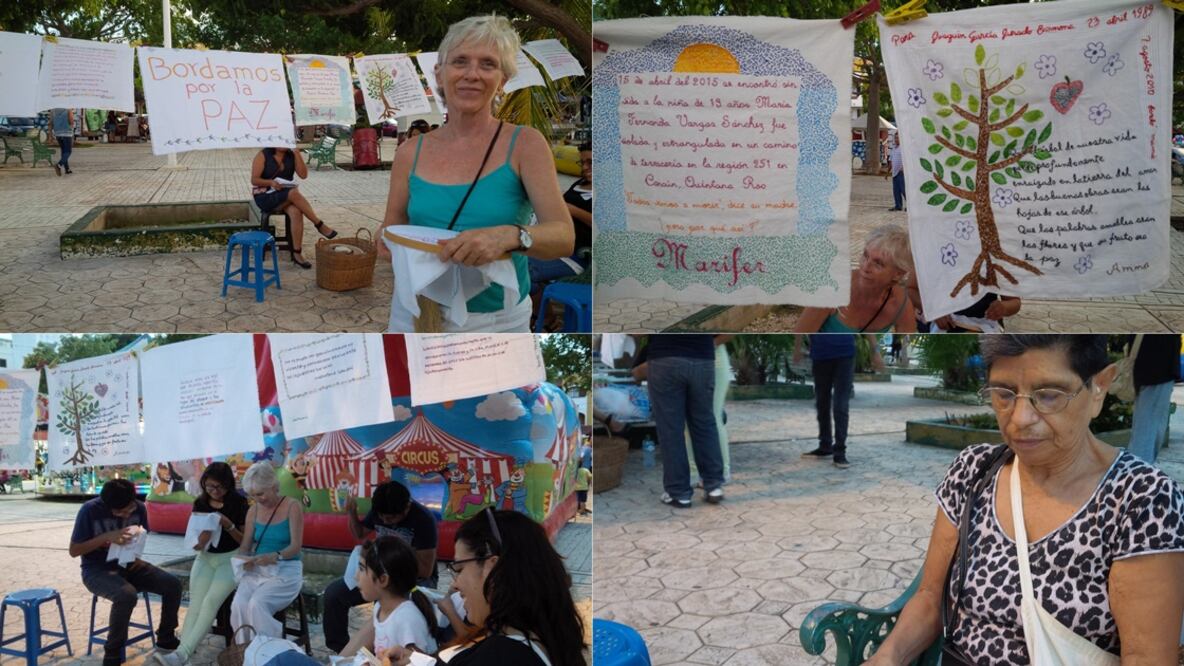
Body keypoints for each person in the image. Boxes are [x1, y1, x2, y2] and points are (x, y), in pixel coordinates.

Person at [864, 335, 1184, 666]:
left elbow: (1147, 657)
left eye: (1048, 395)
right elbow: (931, 597)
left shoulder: (1142, 499)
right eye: (1003, 394)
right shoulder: (974, 471)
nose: (1019, 419)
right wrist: (889, 656)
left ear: (1099, 387)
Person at [376, 14, 575, 332]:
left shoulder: (525, 144)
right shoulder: (409, 153)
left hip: (495, 323)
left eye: (487, 64)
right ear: (439, 75)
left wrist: (508, 236)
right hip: (417, 310)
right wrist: (388, 240)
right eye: (460, 61)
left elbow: (564, 237)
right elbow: (393, 223)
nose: (472, 74)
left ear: (503, 80)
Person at [433, 508, 586, 665]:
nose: (455, 584)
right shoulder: (548, 630)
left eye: (459, 569)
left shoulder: (501, 656)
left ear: (491, 567)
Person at [70, 479, 182, 666]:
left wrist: (135, 557)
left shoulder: (139, 507)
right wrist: (106, 537)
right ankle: (112, 654)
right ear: (105, 504)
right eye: (117, 512)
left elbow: (140, 536)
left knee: (172, 584)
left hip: (129, 565)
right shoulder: (89, 510)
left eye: (126, 510)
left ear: (132, 500)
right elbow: (74, 550)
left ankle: (166, 637)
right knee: (126, 595)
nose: (123, 515)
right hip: (97, 570)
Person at [323, 480, 439, 653]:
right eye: (382, 517)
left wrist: (394, 552)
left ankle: (387, 649)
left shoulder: (423, 520)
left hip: (412, 579)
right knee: (334, 594)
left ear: (407, 507)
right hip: (379, 574)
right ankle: (340, 649)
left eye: (391, 518)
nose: (385, 521)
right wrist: (352, 513)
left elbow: (425, 570)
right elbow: (360, 534)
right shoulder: (382, 509)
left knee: (392, 607)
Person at [154, 463, 248, 666]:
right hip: (205, 558)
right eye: (210, 486)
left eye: (220, 487)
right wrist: (202, 539)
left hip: (230, 559)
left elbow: (244, 541)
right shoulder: (201, 503)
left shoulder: (239, 503)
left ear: (228, 486)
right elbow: (196, 544)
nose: (214, 491)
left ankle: (182, 654)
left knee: (209, 603)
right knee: (195, 605)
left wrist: (227, 525)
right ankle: (181, 653)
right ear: (204, 483)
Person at [644, 334, 729, 508]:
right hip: (702, 357)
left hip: (664, 357)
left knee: (671, 428)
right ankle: (713, 485)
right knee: (704, 423)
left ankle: (679, 492)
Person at [794, 225, 917, 334]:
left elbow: (907, 340)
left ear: (898, 274)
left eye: (878, 263)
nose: (865, 266)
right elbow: (798, 340)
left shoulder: (900, 304)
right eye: (865, 255)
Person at [231, 461, 304, 641]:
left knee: (257, 604)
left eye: (260, 493)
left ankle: (268, 650)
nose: (258, 499)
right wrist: (243, 560)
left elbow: (296, 546)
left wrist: (276, 556)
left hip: (287, 569)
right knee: (239, 604)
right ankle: (245, 650)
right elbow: (246, 545)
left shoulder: (292, 506)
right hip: (259, 568)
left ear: (273, 486)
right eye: (253, 495)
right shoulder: (253, 511)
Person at [794, 334, 884, 468]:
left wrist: (876, 352)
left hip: (845, 355)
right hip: (820, 355)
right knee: (822, 402)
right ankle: (825, 446)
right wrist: (797, 347)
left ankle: (840, 451)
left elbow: (866, 326)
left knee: (840, 404)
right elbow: (804, 323)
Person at [341, 537, 439, 659]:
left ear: (383, 579)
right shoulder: (379, 608)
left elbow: (419, 661)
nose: (356, 577)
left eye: (361, 569)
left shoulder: (407, 620)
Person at [250, 146, 338, 269]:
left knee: (296, 211)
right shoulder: (263, 154)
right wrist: (271, 183)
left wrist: (297, 153)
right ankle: (318, 224)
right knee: (293, 193)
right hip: (265, 197)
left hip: (285, 196)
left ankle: (297, 254)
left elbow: (303, 175)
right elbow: (254, 180)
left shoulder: (291, 155)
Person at [528, 141, 592, 289]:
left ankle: (540, 308)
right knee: (515, 262)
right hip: (553, 245)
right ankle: (541, 310)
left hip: (576, 256)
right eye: (582, 162)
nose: (585, 167)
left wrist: (572, 210)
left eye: (590, 162)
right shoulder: (579, 184)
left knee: (523, 271)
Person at [1127, 334, 1181, 464]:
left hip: (1149, 368)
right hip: (1158, 369)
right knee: (1148, 433)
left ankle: (1138, 473)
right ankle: (1138, 476)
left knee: (1147, 429)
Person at [51, 107, 74, 176]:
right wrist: (72, 124)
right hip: (66, 133)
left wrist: (50, 136)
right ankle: (59, 165)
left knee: (63, 151)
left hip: (57, 133)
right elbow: (71, 121)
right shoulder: (68, 109)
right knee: (68, 151)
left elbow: (51, 122)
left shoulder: (53, 110)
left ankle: (67, 169)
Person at [886, 132, 904, 211]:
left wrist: (903, 168)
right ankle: (898, 206)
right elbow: (891, 161)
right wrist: (887, 173)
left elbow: (907, 160)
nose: (896, 139)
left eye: (898, 138)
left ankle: (911, 207)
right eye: (895, 138)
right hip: (894, 173)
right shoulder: (893, 149)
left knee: (903, 190)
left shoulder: (903, 148)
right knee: (896, 190)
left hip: (901, 173)